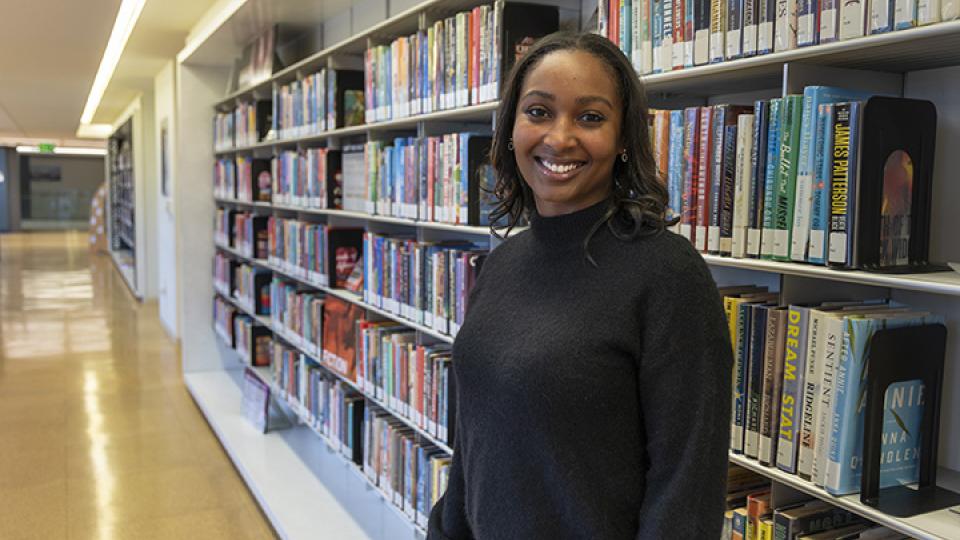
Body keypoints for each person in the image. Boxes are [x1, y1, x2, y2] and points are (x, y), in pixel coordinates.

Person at [427, 31, 733, 539]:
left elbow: (687, 489)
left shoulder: (667, 274)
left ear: (622, 139)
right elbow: (475, 450)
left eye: (590, 117)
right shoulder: (502, 264)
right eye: (538, 112)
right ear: (509, 129)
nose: (559, 137)